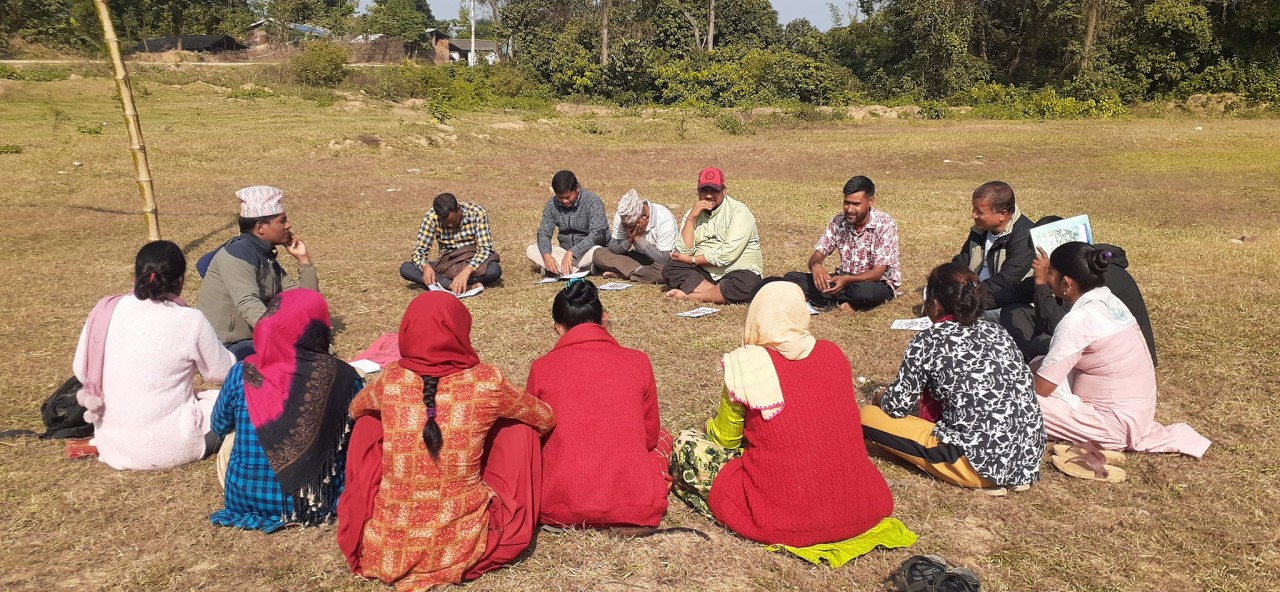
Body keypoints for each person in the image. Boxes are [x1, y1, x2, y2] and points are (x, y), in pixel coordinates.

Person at [337, 292, 556, 590]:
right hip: (462, 544)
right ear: (460, 328)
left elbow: (355, 410)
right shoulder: (487, 381)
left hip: (386, 548)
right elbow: (543, 417)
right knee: (520, 429)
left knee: (368, 423)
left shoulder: (390, 380)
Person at [669, 282, 895, 547]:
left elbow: (726, 440)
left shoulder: (746, 363)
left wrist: (709, 426)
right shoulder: (832, 354)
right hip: (860, 509)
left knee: (685, 444)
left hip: (784, 517)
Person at [862, 263, 1045, 493]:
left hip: (975, 462)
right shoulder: (998, 332)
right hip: (1027, 459)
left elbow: (897, 407)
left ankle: (980, 477)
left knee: (867, 416)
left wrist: (881, 395)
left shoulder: (928, 339)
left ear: (935, 303)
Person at [1032, 242, 1209, 457]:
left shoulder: (1078, 321)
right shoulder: (1108, 300)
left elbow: (1041, 389)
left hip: (1113, 426)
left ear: (1067, 283)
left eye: (1050, 273)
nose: (1047, 279)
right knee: (1039, 361)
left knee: (1015, 402)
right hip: (1136, 416)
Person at [71, 240, 235, 471]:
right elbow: (223, 370)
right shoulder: (190, 319)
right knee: (233, 401)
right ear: (181, 280)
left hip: (112, 447)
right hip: (174, 447)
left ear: (136, 275)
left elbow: (81, 369)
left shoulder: (105, 310)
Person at [210, 289, 363, 532]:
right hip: (317, 504)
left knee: (231, 439)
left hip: (243, 501)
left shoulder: (241, 372)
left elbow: (218, 425)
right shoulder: (342, 376)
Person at [526, 279, 671, 528]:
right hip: (634, 505)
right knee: (665, 437)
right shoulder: (637, 361)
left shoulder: (541, 368)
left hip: (557, 508)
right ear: (603, 318)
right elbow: (649, 438)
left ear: (559, 328)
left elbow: (532, 438)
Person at [1002, 218, 1157, 364]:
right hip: (1095, 338)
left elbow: (1061, 327)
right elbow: (1020, 291)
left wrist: (1042, 283)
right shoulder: (1077, 267)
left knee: (1040, 344)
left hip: (1118, 356)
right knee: (1015, 312)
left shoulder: (1087, 276)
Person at [197, 186, 317, 360]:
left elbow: (305, 303)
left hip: (253, 336)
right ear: (260, 227)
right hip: (226, 344)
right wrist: (283, 339)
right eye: (282, 221)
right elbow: (248, 304)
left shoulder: (264, 255)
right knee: (293, 357)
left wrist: (303, 261)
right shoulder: (238, 255)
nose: (288, 225)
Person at [782, 176, 900, 312]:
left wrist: (846, 279)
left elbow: (877, 273)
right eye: (846, 203)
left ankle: (833, 299)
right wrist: (816, 266)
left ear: (870, 201)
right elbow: (817, 255)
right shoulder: (838, 221)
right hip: (843, 282)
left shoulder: (885, 224)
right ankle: (839, 299)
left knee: (865, 292)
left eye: (855, 204)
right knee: (791, 278)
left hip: (873, 283)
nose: (849, 209)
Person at [663, 167, 764, 304]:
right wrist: (691, 218)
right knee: (672, 268)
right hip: (707, 273)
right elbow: (683, 251)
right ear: (698, 191)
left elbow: (727, 254)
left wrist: (692, 260)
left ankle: (690, 296)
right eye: (704, 190)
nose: (709, 195)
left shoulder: (739, 211)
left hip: (736, 271)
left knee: (748, 283)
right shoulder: (692, 213)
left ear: (724, 190)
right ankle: (717, 293)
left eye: (714, 191)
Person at [951, 181, 1034, 317]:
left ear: (1002, 214)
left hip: (1006, 302)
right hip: (975, 294)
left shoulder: (1025, 237)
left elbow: (1006, 281)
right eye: (973, 209)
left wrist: (968, 296)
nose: (973, 215)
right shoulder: (980, 230)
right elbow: (961, 262)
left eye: (980, 212)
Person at [399, 193, 502, 293]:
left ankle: (444, 283)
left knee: (493, 270)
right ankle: (455, 286)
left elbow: (485, 249)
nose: (450, 225)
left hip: (471, 261)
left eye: (454, 220)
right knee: (406, 268)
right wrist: (425, 266)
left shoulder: (477, 213)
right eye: (446, 223)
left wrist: (467, 271)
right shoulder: (431, 217)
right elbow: (419, 251)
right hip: (447, 265)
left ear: (458, 208)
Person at [526, 170, 608, 276]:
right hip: (564, 252)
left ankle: (558, 270)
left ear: (577, 188)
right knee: (531, 250)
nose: (564, 201)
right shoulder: (552, 204)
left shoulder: (593, 201)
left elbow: (597, 235)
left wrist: (573, 252)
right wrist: (547, 256)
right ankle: (579, 270)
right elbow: (544, 233)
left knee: (598, 252)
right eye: (560, 197)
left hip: (587, 251)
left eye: (568, 197)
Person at [590, 189, 677, 284]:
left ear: (644, 216)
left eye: (631, 226)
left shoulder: (664, 219)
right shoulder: (622, 216)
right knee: (599, 253)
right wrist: (629, 239)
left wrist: (639, 238)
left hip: (660, 263)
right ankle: (639, 274)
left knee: (666, 272)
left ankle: (623, 274)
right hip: (637, 259)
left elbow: (663, 260)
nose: (628, 229)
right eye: (625, 226)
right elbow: (614, 248)